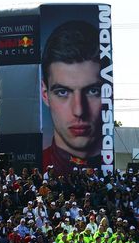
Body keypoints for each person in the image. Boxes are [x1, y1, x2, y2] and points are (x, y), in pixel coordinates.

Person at [41, 20, 107, 175]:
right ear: (45, 94)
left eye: (92, 91)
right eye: (63, 92)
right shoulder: (36, 169)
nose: (79, 110)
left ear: (107, 92)